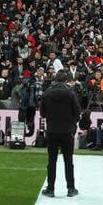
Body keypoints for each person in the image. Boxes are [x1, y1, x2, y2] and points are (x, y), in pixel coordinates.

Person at [39, 70, 81, 198]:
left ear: (55, 79)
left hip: (52, 130)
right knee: (68, 161)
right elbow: (77, 112)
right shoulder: (70, 93)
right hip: (67, 130)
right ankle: (71, 188)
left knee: (52, 160)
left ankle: (50, 188)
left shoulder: (47, 94)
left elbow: (42, 113)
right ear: (66, 80)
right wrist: (72, 123)